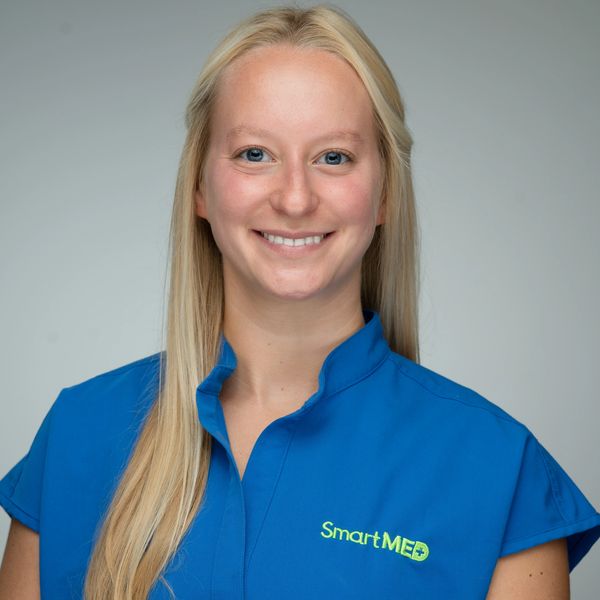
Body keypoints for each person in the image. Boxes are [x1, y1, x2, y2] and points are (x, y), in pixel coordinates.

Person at [0, 4, 599, 599]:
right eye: (254, 154)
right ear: (200, 188)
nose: (294, 199)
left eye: (333, 157)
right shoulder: (78, 432)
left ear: (385, 194)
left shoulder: (496, 471)